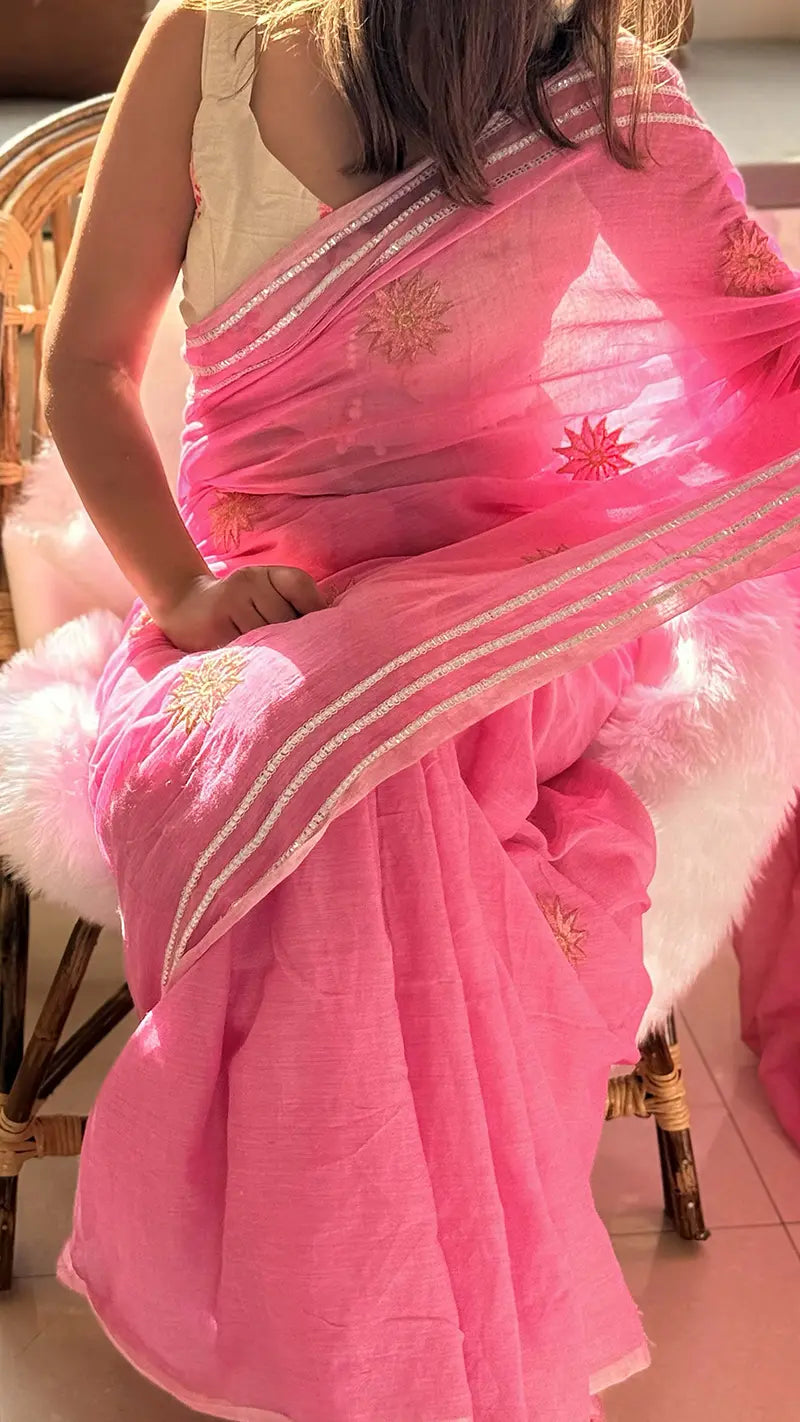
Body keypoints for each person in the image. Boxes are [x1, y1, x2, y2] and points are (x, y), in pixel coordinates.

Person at [42, 2, 800, 1418]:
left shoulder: (599, 98)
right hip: (248, 628)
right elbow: (83, 366)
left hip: (508, 616)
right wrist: (186, 589)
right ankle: (396, 1359)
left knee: (365, 749)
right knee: (332, 751)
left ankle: (354, 1361)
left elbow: (769, 353)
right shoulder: (203, 42)